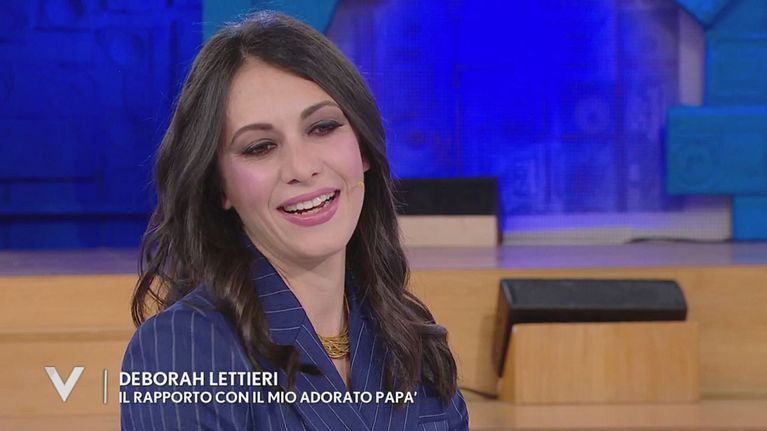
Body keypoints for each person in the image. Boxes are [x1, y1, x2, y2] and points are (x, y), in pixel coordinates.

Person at [120, 10, 469, 431]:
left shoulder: (414, 344)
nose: (302, 168)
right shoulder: (184, 351)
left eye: (323, 127)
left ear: (362, 147)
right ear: (220, 186)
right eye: (260, 147)